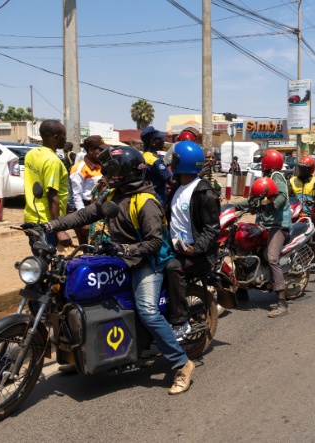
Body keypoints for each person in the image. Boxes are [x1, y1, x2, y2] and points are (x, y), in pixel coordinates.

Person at [43, 146, 195, 395]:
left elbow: (154, 243)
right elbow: (85, 214)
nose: (108, 175)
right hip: (122, 258)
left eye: (113, 171)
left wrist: (124, 248)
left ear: (127, 172)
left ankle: (182, 363)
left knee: (147, 311)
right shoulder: (114, 196)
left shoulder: (146, 202)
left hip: (149, 261)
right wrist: (51, 225)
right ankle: (83, 352)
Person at [164, 141, 221, 340]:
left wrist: (195, 249)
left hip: (199, 254)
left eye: (174, 159)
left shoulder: (204, 192)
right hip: (175, 248)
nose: (171, 162)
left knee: (173, 268)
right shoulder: (177, 187)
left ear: (183, 162)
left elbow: (212, 230)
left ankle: (180, 322)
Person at [233, 150, 292, 317]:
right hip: (263, 224)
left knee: (272, 258)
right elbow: (253, 200)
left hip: (277, 226)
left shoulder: (277, 177)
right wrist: (232, 207)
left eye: (262, 161)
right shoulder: (265, 180)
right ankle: (242, 288)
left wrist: (271, 206)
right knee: (241, 247)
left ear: (267, 163)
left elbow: (281, 196)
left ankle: (282, 302)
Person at [24, 119, 72, 251]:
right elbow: (52, 196)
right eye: (64, 135)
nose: (65, 138)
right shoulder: (53, 161)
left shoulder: (31, 154)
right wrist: (58, 229)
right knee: (49, 261)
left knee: (39, 259)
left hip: (31, 218)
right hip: (47, 222)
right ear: (56, 137)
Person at [289, 155, 315, 270]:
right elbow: (287, 195)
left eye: (303, 169)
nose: (300, 170)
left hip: (308, 215)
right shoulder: (292, 180)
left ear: (310, 170)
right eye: (299, 168)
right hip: (293, 214)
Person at [69, 135, 107, 244]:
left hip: (100, 209)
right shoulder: (79, 168)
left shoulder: (102, 165)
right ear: (91, 150)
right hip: (86, 210)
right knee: (87, 246)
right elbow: (77, 196)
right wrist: (84, 220)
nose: (103, 152)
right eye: (100, 150)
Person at [140, 126, 174, 206]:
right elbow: (171, 181)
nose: (163, 141)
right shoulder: (155, 161)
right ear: (153, 142)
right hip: (158, 201)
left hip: (146, 200)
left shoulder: (143, 157)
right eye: (160, 139)